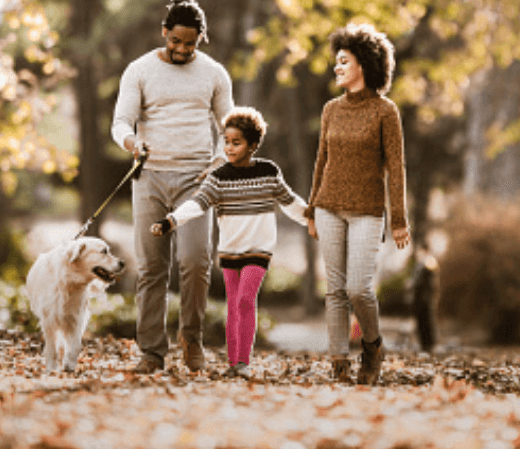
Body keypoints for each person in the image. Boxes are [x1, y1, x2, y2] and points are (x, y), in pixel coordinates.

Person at [111, 0, 234, 374]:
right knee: (151, 267)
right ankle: (151, 351)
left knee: (195, 262)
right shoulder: (139, 70)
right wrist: (133, 142)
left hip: (196, 182)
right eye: (175, 41)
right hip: (150, 178)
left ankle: (192, 339)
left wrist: (217, 161)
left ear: (201, 39)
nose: (182, 49)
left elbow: (229, 127)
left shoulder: (214, 73)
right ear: (164, 32)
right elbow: (120, 123)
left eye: (190, 44)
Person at [151, 107, 309, 379]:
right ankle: (233, 363)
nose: (229, 147)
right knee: (234, 304)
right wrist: (170, 221)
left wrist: (313, 219)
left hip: (258, 250)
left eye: (236, 142)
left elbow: (291, 202)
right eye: (226, 141)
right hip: (229, 251)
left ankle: (243, 362)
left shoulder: (268, 171)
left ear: (253, 145)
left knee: (246, 300)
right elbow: (197, 204)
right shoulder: (219, 177)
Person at [305, 22, 411, 385]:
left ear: (363, 64)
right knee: (334, 290)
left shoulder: (385, 112)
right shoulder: (331, 109)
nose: (336, 68)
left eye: (343, 61)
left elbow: (396, 169)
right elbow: (322, 160)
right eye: (336, 62)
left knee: (358, 289)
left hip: (367, 210)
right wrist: (311, 209)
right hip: (328, 206)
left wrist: (398, 219)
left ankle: (372, 345)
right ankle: (339, 363)